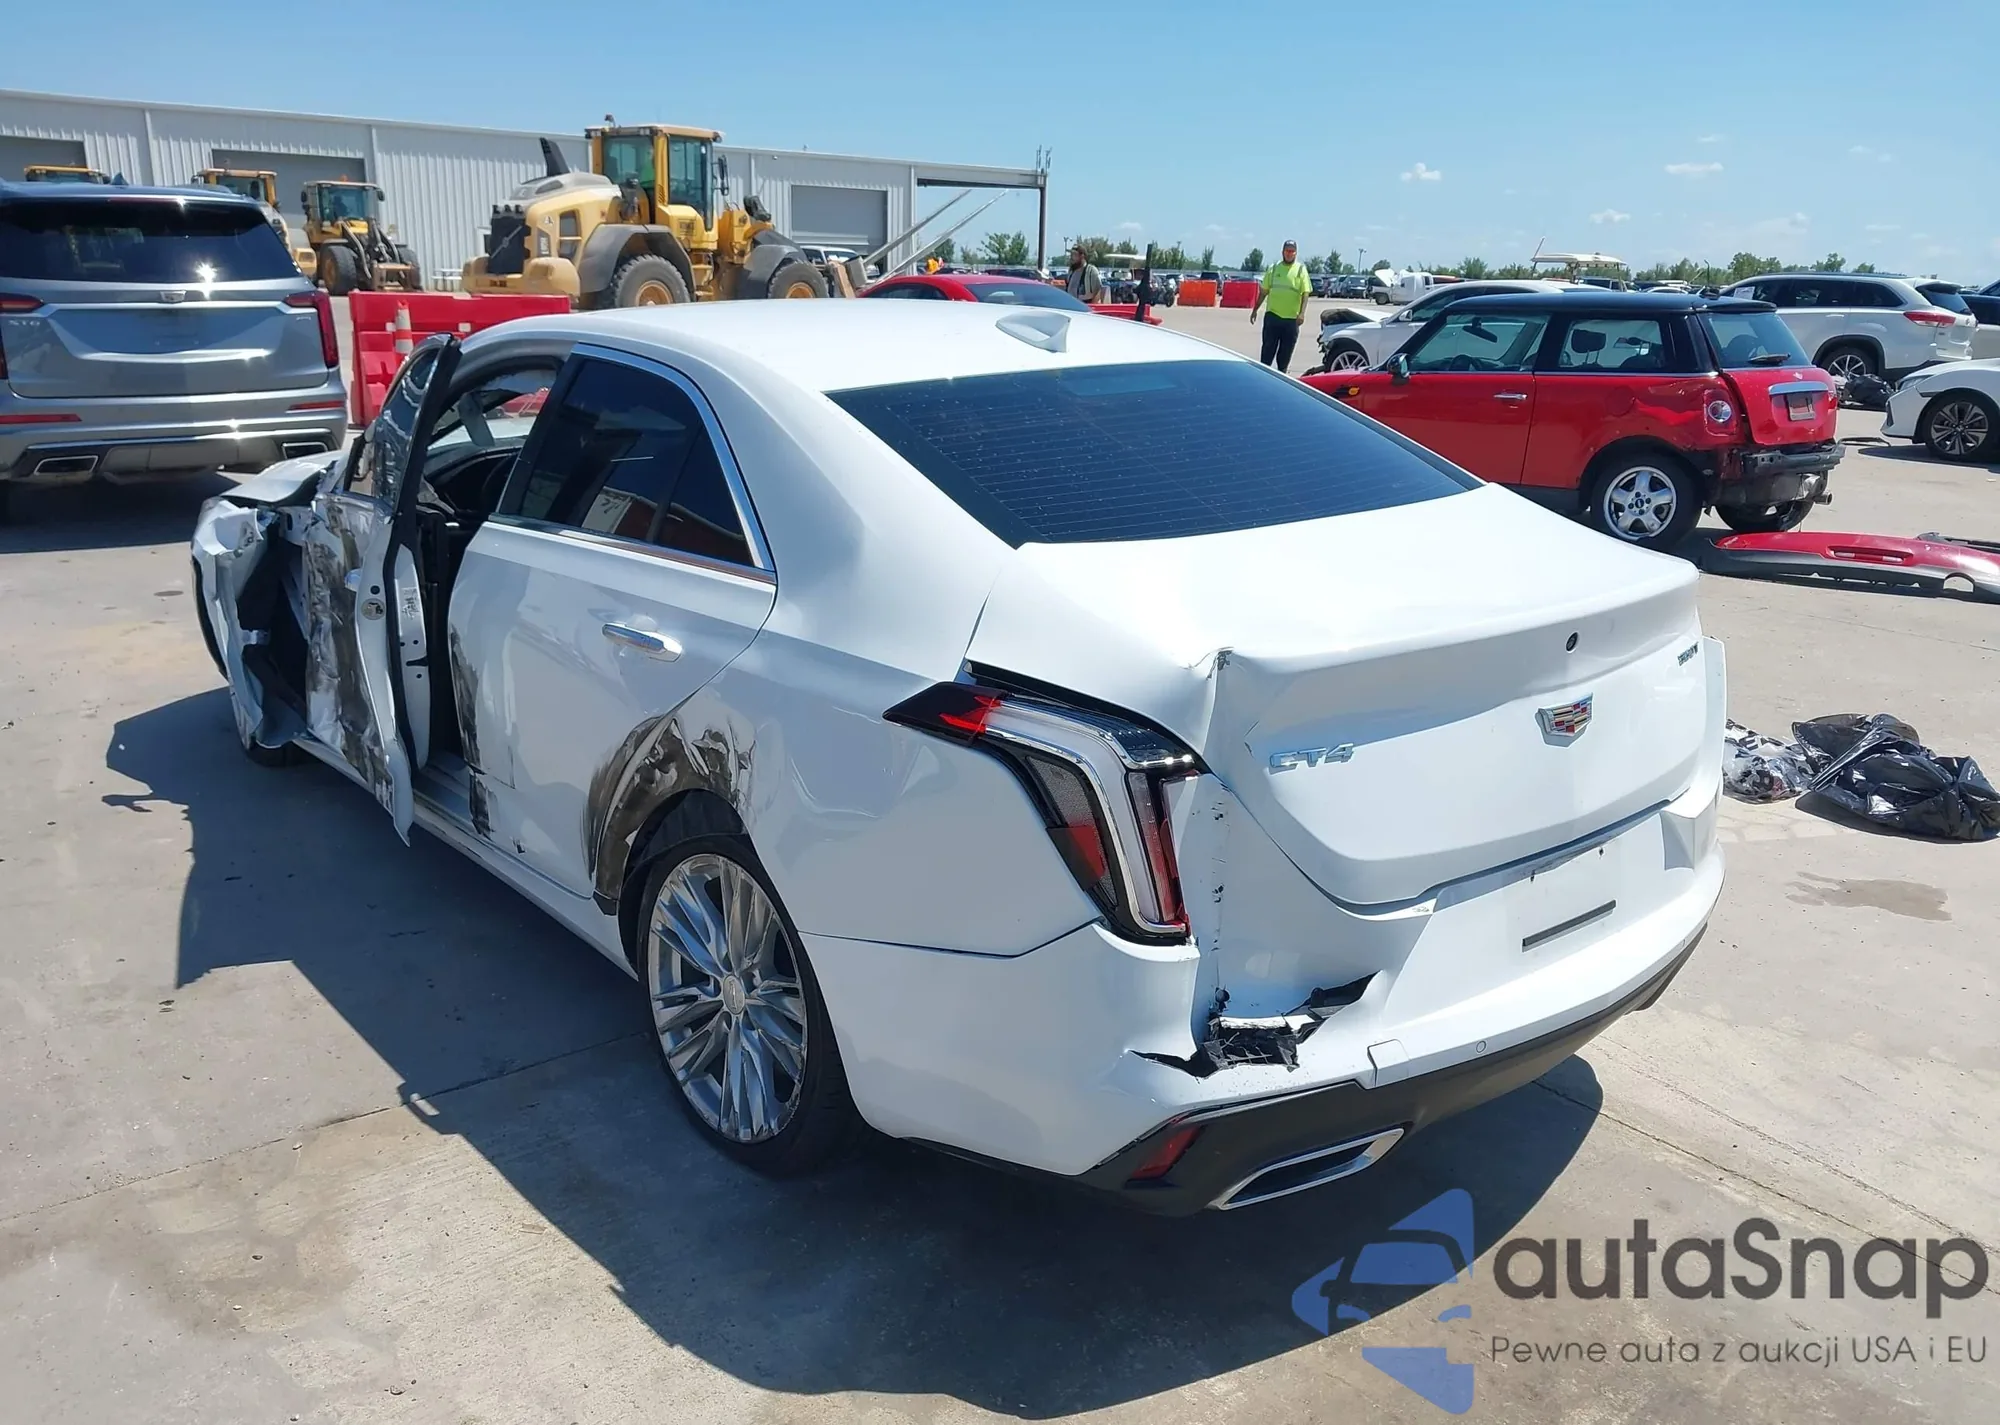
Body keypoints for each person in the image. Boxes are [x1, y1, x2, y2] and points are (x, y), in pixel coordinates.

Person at [1250, 239, 1313, 372]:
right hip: (1273, 317)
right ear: (1282, 252)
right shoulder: (1273, 269)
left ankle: (1282, 377)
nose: (1289, 253)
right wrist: (1255, 309)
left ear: (1296, 253)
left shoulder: (1301, 270)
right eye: (1287, 251)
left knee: (1284, 357)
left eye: (1292, 251)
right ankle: (1264, 378)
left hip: (1291, 320)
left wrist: (1302, 313)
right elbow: (1264, 292)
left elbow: (1305, 293)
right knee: (1267, 354)